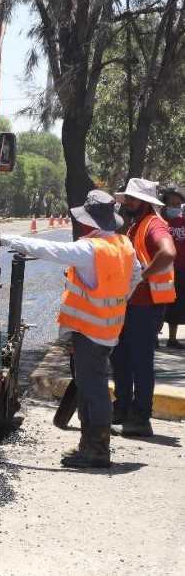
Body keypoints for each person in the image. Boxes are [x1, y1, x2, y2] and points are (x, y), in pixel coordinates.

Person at [0, 190, 140, 468]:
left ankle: (97, 450)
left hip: (90, 331)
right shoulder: (123, 245)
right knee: (93, 386)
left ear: (89, 222)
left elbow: (50, 250)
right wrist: (118, 301)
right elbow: (136, 276)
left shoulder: (89, 249)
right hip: (109, 329)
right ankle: (89, 444)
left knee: (94, 389)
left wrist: (6, 239)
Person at [112, 177, 176, 436]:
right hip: (133, 306)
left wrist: (143, 275)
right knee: (122, 359)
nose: (126, 201)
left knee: (140, 361)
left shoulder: (153, 225)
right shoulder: (137, 225)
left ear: (145, 202)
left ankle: (140, 415)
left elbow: (168, 253)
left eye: (131, 198)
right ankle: (124, 406)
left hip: (146, 308)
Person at [160, 187, 185, 348]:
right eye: (172, 203)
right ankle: (153, 338)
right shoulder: (159, 222)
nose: (175, 207)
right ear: (164, 205)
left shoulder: (183, 222)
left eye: (178, 204)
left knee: (177, 305)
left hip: (181, 269)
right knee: (159, 304)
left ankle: (173, 339)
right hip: (163, 270)